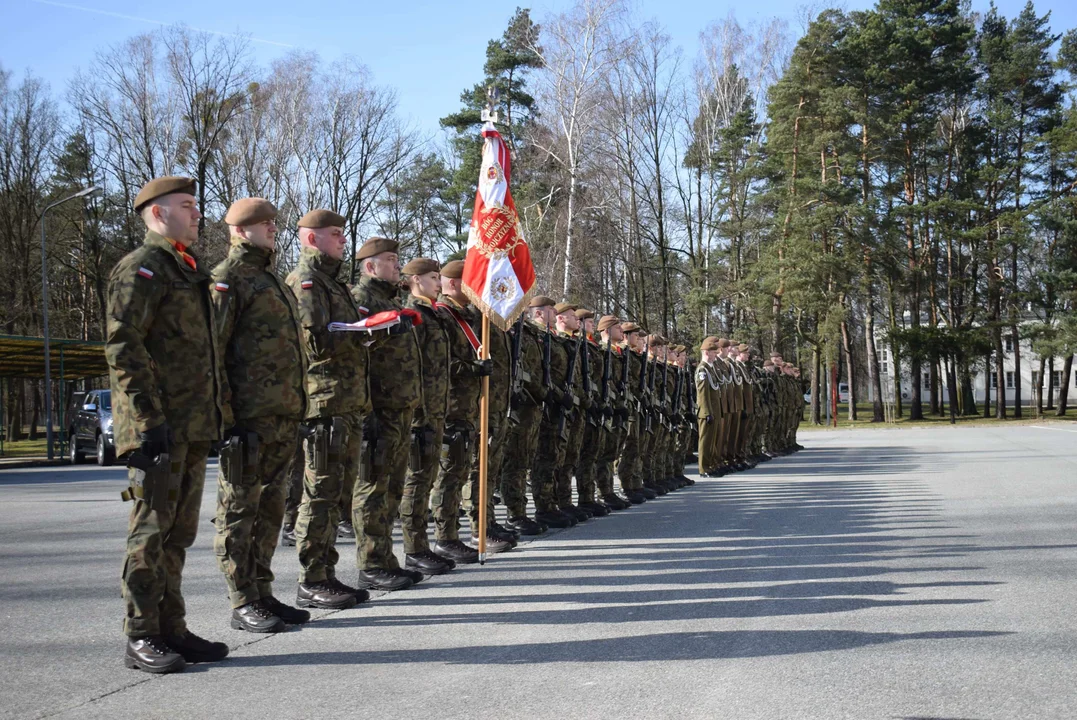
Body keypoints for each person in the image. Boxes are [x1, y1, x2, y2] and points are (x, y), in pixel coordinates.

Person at [107, 175, 229, 673]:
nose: (198, 213)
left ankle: (171, 628)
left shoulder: (186, 270)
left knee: (178, 534)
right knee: (149, 532)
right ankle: (141, 634)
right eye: (187, 205)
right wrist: (146, 418)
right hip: (156, 428)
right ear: (158, 214)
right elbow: (123, 346)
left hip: (192, 423)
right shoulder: (142, 269)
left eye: (196, 205)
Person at [211, 198, 309, 633]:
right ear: (238, 230)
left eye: (273, 222)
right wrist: (227, 420)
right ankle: (242, 599)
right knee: (238, 509)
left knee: (270, 508)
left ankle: (263, 590)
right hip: (247, 420)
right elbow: (213, 354)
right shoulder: (228, 279)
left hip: (282, 415)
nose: (272, 228)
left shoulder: (271, 278)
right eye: (262, 223)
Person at [286, 209, 373, 610]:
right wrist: (357, 333)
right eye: (334, 234)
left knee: (336, 493)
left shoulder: (332, 284)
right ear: (310, 239)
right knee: (319, 493)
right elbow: (315, 344)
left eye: (342, 232)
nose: (343, 240)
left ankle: (327, 572)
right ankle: (311, 578)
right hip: (324, 404)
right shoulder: (306, 283)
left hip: (347, 402)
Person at [350, 237, 424, 589]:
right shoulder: (361, 301)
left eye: (397, 259)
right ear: (370, 266)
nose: (398, 265)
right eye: (391, 260)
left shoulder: (388, 301)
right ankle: (370, 563)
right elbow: (357, 360)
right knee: (372, 488)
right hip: (378, 409)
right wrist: (366, 412)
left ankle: (385, 558)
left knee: (392, 488)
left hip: (400, 408)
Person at [431, 260, 497, 562]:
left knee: (459, 473)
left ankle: (460, 533)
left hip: (468, 408)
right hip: (451, 408)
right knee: (448, 475)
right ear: (455, 283)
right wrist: (473, 368)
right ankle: (445, 537)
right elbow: (440, 362)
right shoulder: (443, 316)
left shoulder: (467, 316)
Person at [399, 258, 455, 575]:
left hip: (436, 410)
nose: (439, 282)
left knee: (426, 479)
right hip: (420, 413)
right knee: (416, 481)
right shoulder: (413, 315)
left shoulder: (434, 313)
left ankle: (424, 546)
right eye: (434, 277)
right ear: (416, 280)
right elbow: (412, 368)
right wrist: (418, 413)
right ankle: (414, 548)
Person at [499, 296, 556, 535]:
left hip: (532, 404)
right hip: (518, 403)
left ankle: (524, 511)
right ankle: (514, 514)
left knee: (523, 460)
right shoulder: (506, 330)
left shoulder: (529, 332)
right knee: (514, 460)